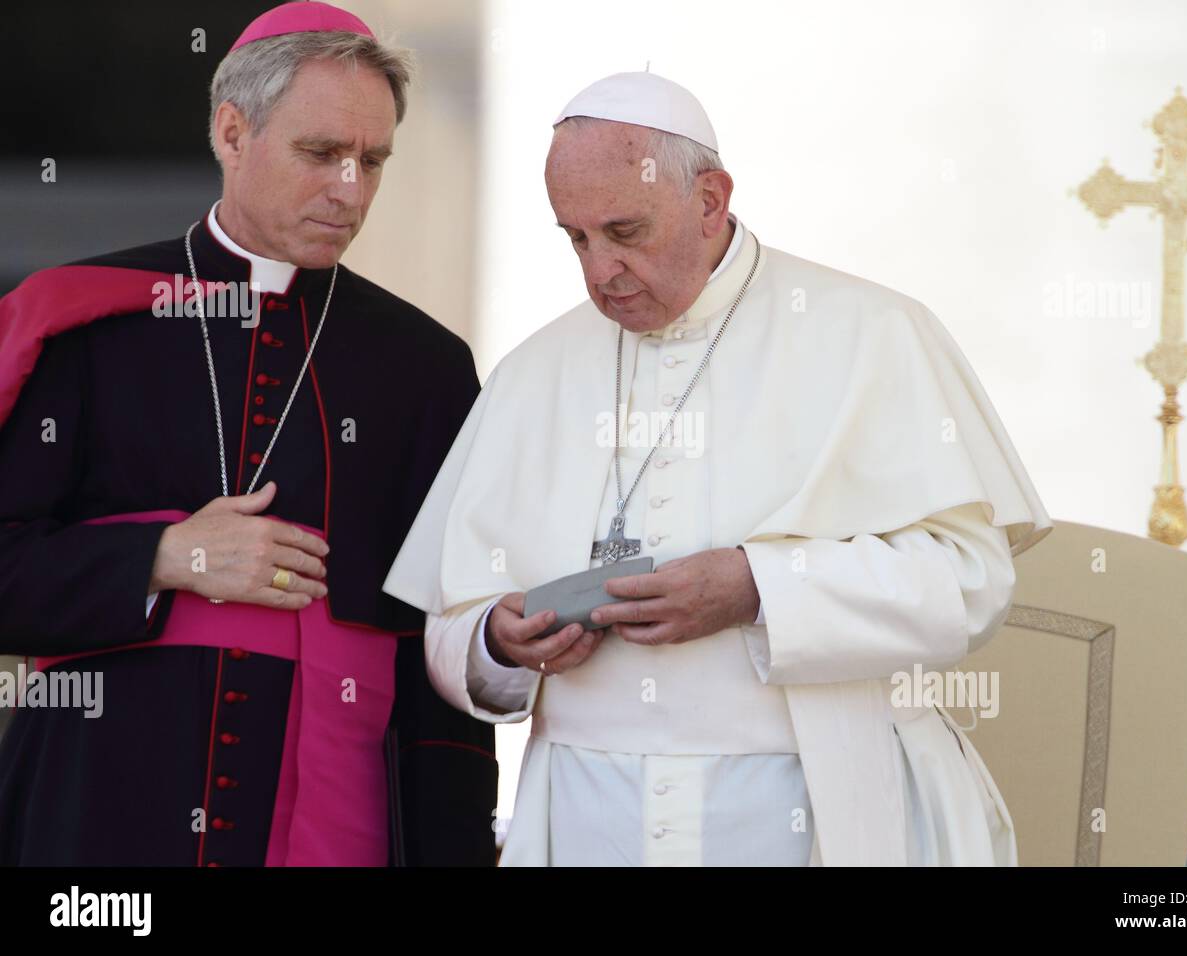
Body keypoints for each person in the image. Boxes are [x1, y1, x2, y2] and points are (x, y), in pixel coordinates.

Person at [385, 70, 1053, 866]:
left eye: (625, 231)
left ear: (710, 200)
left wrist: (757, 588)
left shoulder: (871, 333)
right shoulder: (536, 371)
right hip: (588, 817)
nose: (600, 272)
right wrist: (501, 641)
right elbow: (453, 625)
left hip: (811, 803)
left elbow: (970, 583)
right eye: (576, 238)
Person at [0, 1, 495, 866]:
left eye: (373, 161)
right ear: (232, 131)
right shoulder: (83, 324)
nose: (352, 189)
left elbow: (439, 659)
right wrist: (163, 557)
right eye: (320, 154)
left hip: (337, 814)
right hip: (100, 808)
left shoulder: (424, 368)